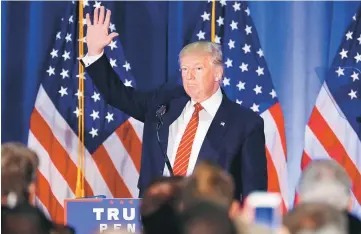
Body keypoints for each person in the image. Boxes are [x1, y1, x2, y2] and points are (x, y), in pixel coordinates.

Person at [82, 6, 267, 201]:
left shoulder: (245, 123)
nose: (189, 76)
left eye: (198, 68)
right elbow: (116, 95)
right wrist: (95, 53)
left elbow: (253, 193)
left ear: (218, 74)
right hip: (157, 215)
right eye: (185, 69)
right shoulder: (164, 103)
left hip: (206, 221)